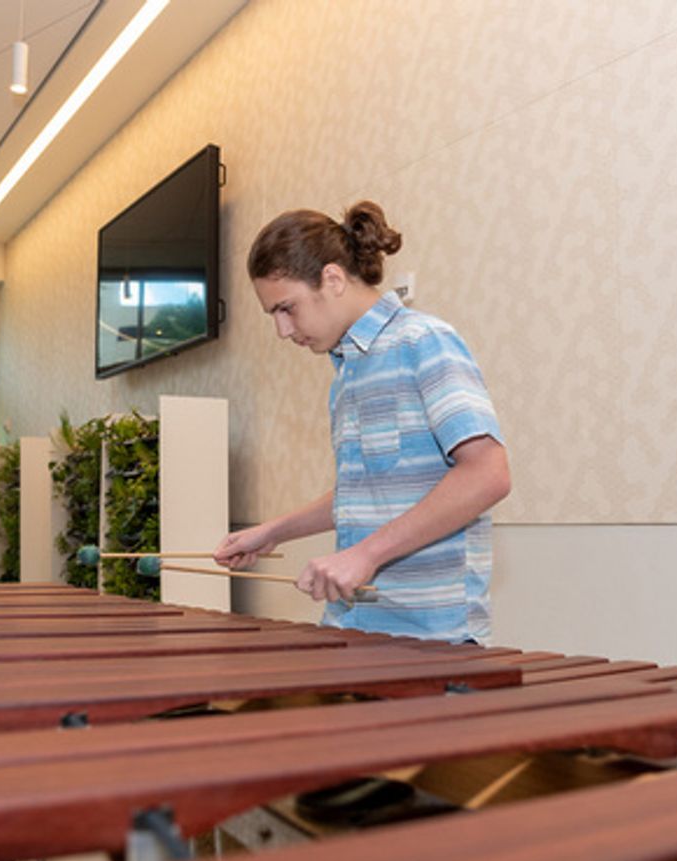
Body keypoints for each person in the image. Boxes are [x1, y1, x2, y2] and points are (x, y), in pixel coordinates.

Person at [214, 202, 510, 643]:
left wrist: (365, 555)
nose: (282, 330)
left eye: (287, 308)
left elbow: (488, 473)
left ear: (332, 279)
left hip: (431, 640)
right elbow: (369, 488)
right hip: (356, 626)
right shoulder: (347, 372)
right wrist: (273, 532)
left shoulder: (423, 342)